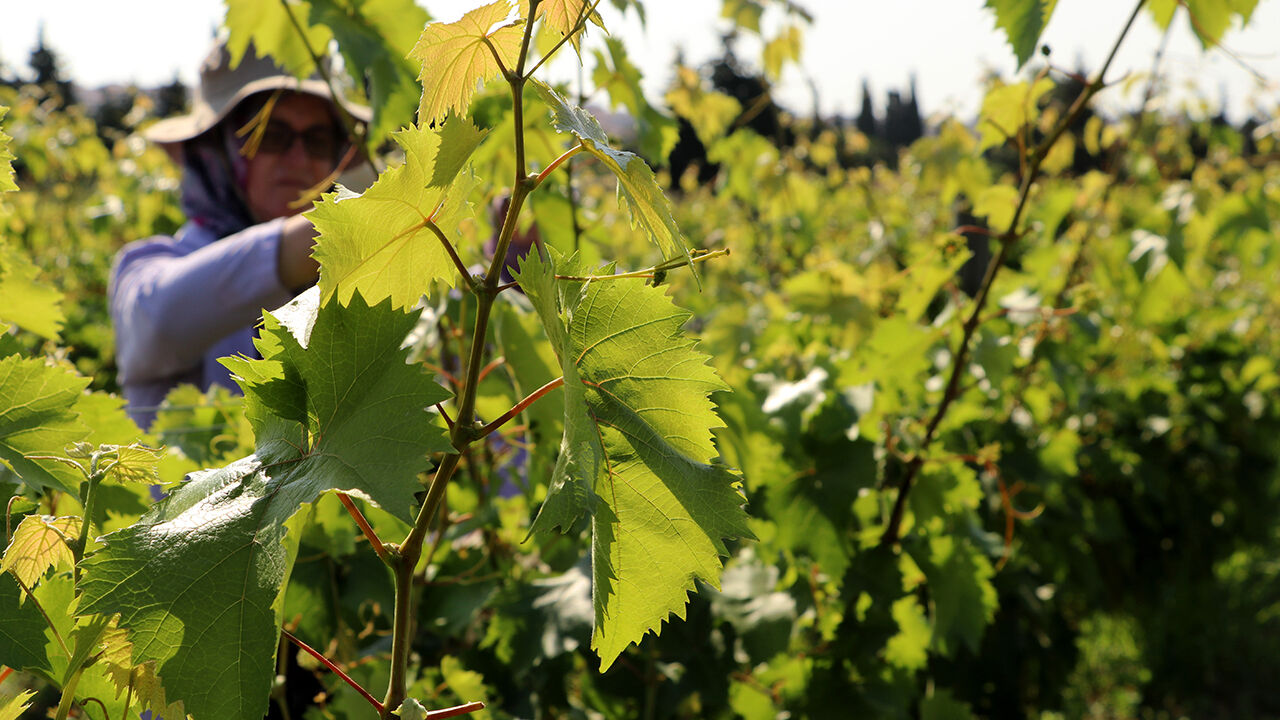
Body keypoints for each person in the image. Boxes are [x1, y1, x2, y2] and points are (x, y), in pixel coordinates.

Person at [110, 40, 370, 428]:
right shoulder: (144, 269)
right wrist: (361, 220)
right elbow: (159, 321)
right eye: (270, 135)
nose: (299, 160)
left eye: (318, 141)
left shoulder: (353, 286)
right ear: (214, 149)